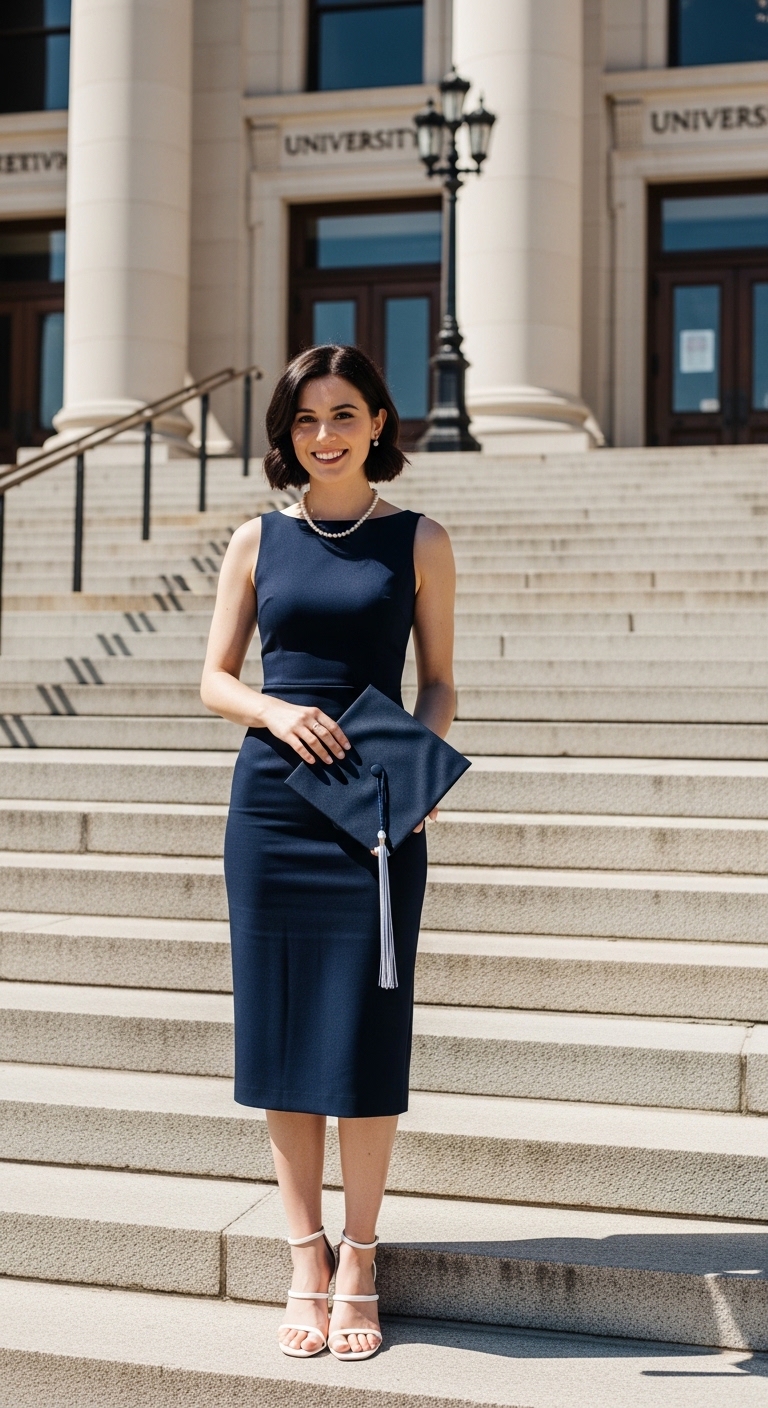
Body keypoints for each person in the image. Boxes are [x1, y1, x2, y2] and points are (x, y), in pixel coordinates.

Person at [201, 343, 456, 1361]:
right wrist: (274, 707)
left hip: (377, 809)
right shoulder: (255, 541)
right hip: (272, 805)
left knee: (364, 1027)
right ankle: (305, 1251)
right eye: (305, 421)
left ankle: (361, 1252)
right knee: (280, 1031)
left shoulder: (420, 540)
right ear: (287, 437)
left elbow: (438, 680)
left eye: (344, 415)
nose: (324, 436)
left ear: (379, 424)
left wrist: (421, 774)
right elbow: (214, 679)